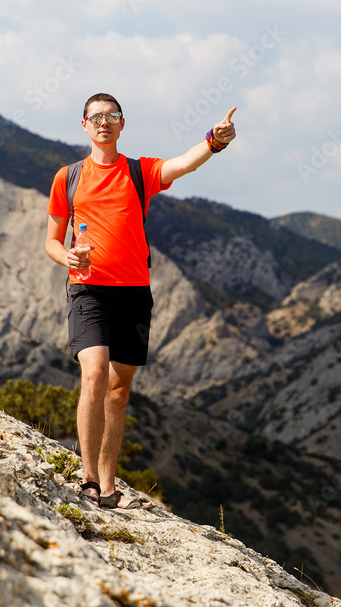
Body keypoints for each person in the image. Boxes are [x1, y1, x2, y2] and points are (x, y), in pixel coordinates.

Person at [44, 93, 236, 509]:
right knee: (94, 372)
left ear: (122, 123)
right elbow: (51, 240)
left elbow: (182, 164)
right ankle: (90, 481)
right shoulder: (69, 176)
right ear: (84, 125)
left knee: (118, 391)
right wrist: (68, 257)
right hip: (88, 289)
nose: (104, 123)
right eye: (96, 117)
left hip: (134, 293)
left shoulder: (139, 171)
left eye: (111, 116)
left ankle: (111, 490)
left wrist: (214, 140)